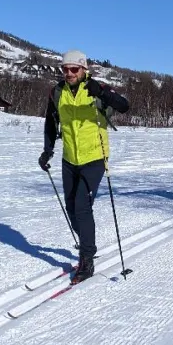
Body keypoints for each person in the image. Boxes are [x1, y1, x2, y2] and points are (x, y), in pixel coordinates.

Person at [39, 50, 130, 283]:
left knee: (82, 206)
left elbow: (124, 106)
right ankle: (88, 241)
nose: (69, 73)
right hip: (69, 158)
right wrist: (48, 150)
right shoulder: (57, 92)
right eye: (65, 69)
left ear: (84, 69)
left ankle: (86, 259)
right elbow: (51, 122)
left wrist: (102, 93)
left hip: (94, 157)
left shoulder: (97, 88)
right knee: (71, 208)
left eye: (74, 69)